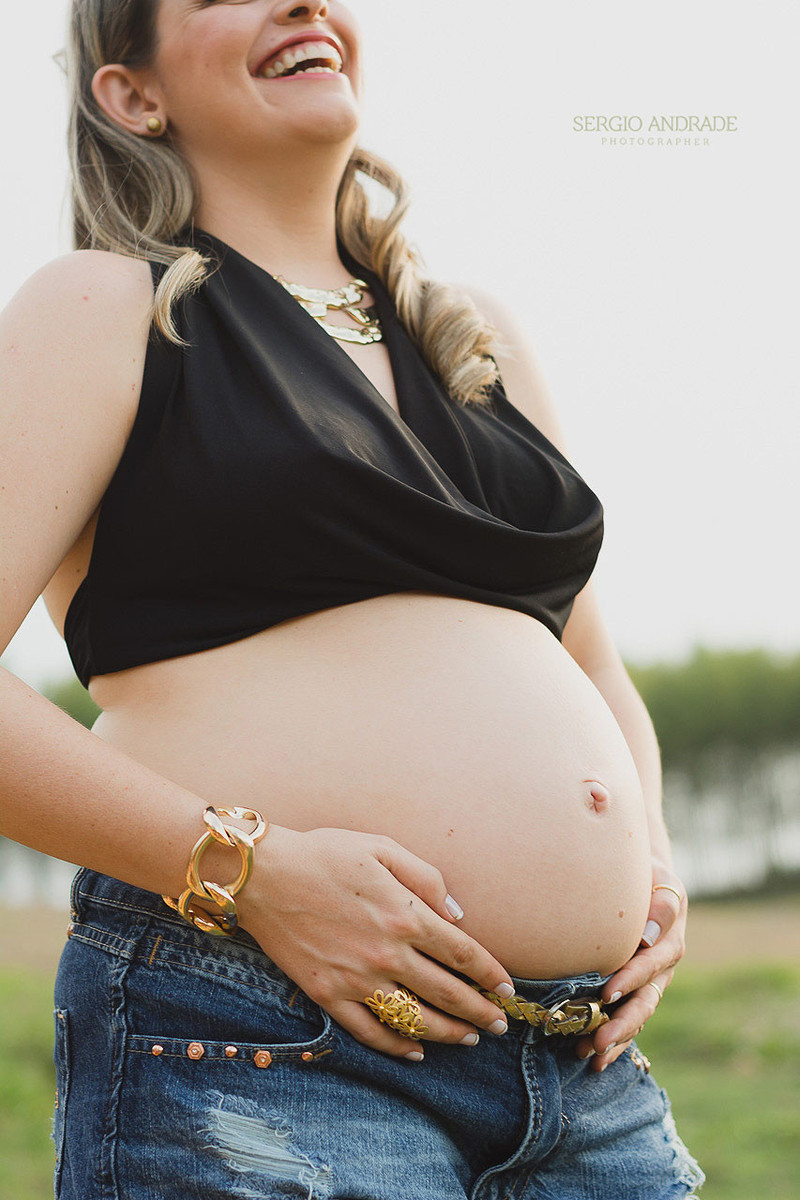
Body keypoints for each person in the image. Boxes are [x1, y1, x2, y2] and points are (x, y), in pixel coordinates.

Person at [0, 1, 706, 1197]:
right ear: (133, 94)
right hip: (260, 1032)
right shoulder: (108, 309)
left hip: (581, 1070)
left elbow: (590, 671)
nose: (301, 1)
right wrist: (248, 871)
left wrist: (653, 866)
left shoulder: (471, 338)